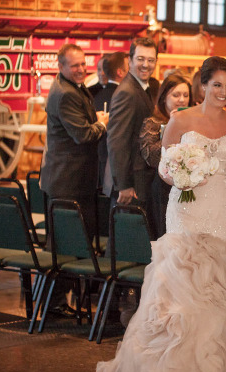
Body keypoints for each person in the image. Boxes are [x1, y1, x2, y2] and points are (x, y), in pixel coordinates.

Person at [96, 56, 226, 372]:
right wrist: (181, 175)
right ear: (202, 85)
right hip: (186, 207)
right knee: (181, 280)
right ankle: (168, 368)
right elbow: (163, 166)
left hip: (224, 205)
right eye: (216, 84)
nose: (222, 92)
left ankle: (218, 368)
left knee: (220, 282)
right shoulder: (179, 119)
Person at [40, 43, 109, 240]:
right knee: (70, 245)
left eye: (82, 64)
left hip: (71, 180)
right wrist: (102, 124)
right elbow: (83, 136)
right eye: (74, 66)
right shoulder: (65, 93)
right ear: (61, 67)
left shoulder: (71, 85)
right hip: (68, 183)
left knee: (74, 242)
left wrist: (91, 116)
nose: (81, 69)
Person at [106, 37, 157, 213]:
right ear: (129, 60)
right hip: (130, 186)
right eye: (141, 59)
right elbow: (117, 141)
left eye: (151, 60)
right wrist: (124, 185)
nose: (146, 65)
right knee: (126, 238)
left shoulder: (142, 88)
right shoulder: (127, 92)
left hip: (140, 181)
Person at [138, 73, 191, 238]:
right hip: (163, 188)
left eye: (186, 95)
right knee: (166, 235)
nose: (181, 99)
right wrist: (172, 127)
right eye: (176, 95)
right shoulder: (153, 122)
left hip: (189, 187)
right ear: (164, 98)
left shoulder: (194, 121)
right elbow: (152, 157)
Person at [94, 52, 127, 190]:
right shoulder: (123, 96)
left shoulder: (95, 95)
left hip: (98, 159)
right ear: (120, 72)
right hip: (114, 162)